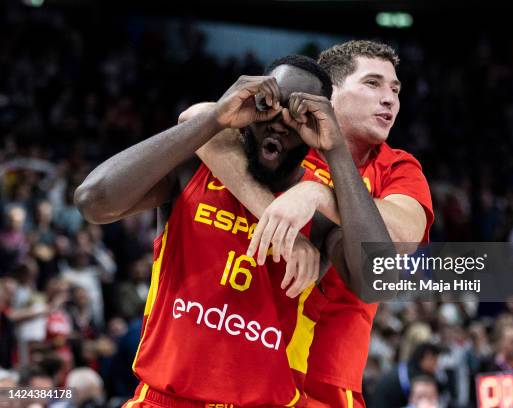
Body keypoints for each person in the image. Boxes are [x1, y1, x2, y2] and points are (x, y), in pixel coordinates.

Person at [75, 55, 397, 407]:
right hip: (163, 398)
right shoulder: (195, 167)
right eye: (270, 104)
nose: (278, 123)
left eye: (295, 114)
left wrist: (335, 149)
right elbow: (94, 201)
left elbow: (377, 279)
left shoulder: (320, 212)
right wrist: (217, 117)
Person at [181, 40, 434, 407]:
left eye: (395, 89)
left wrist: (319, 196)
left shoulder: (397, 167)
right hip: (246, 368)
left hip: (328, 384)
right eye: (373, 84)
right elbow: (199, 118)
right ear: (328, 95)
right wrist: (272, 211)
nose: (389, 98)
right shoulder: (287, 140)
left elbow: (404, 237)